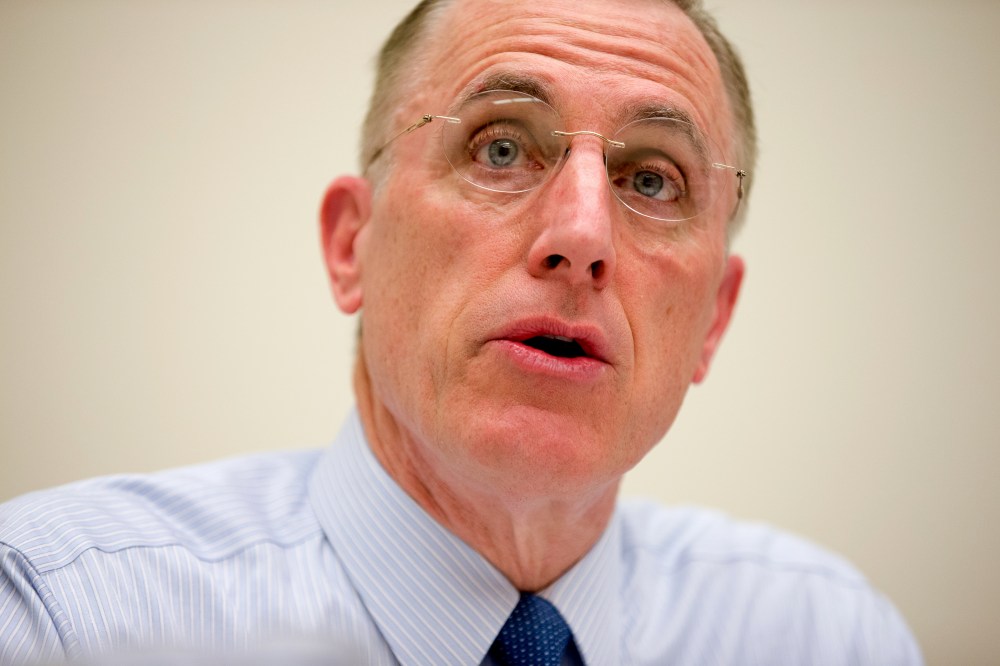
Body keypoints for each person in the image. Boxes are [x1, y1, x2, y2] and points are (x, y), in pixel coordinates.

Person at [0, 0, 922, 663]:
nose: (581, 238)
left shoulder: (828, 636)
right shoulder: (58, 616)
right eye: (502, 147)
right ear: (352, 245)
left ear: (713, 318)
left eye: (652, 179)